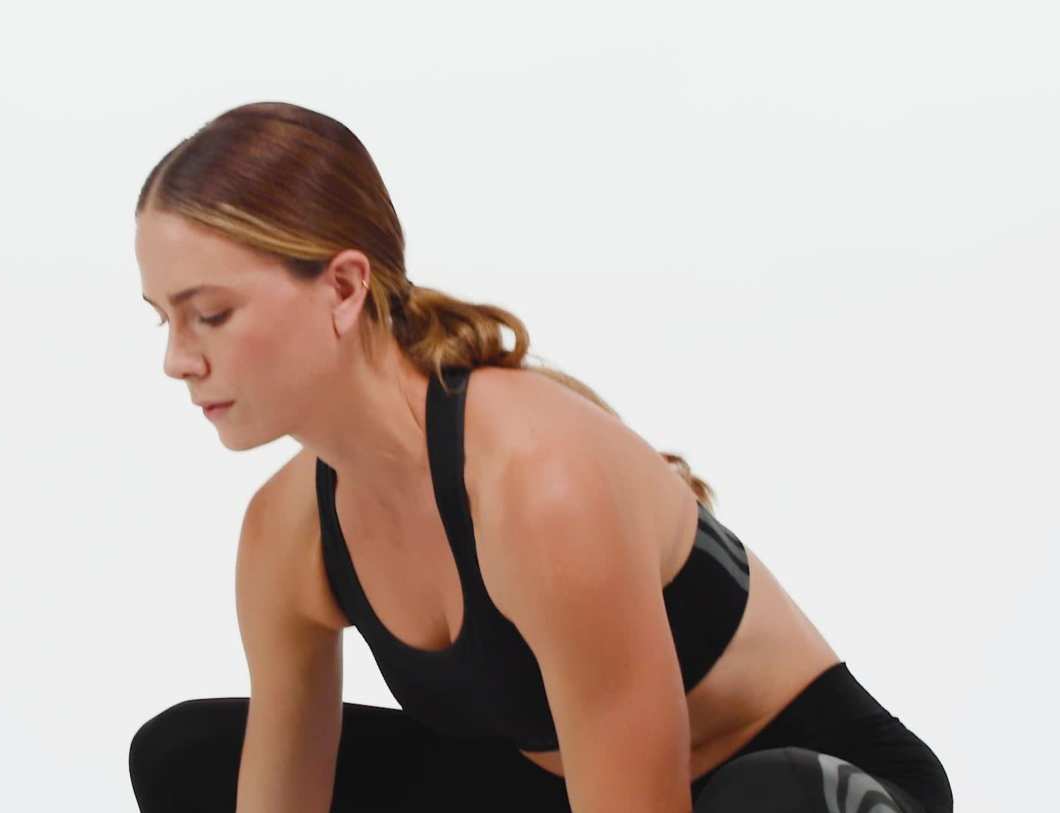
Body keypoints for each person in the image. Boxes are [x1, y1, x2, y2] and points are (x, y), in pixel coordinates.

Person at [127, 101, 953, 813]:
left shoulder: (533, 484)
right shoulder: (287, 532)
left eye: (211, 314)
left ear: (343, 287)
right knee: (189, 757)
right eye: (164, 317)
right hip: (570, 789)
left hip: (807, 785)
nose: (176, 359)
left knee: (760, 799)